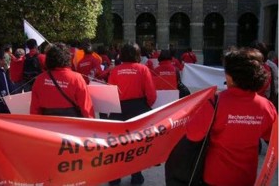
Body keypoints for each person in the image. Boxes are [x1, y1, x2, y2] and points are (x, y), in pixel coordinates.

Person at [166, 48, 277, 186]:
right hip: (246, 177)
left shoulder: (216, 101)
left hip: (215, 176)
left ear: (230, 76)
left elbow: (193, 134)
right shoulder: (267, 106)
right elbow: (272, 139)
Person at [107, 43, 157, 186]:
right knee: (137, 145)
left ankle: (115, 178)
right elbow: (151, 94)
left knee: (117, 145)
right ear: (137, 54)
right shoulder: (143, 69)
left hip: (119, 110)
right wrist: (145, 107)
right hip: (138, 109)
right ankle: (136, 176)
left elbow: (111, 93)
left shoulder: (115, 71)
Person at [30, 43, 95, 118]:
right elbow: (86, 107)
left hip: (47, 125)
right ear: (67, 58)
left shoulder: (39, 80)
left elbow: (34, 109)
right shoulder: (76, 78)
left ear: (48, 59)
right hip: (72, 125)